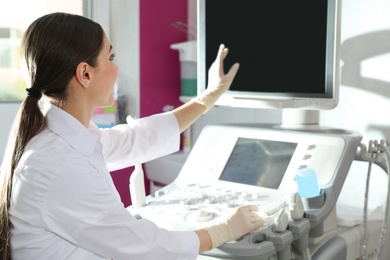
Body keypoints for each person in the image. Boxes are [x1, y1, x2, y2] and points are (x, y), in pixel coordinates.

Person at [0, 12, 263, 260]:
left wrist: (208, 97)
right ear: (85, 74)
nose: (116, 69)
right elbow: (142, 248)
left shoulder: (64, 135)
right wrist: (222, 231)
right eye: (111, 58)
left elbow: (135, 138)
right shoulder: (60, 165)